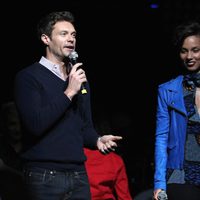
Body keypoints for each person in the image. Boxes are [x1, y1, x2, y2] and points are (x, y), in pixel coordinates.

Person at [14, 10, 122, 200]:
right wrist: (69, 92)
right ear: (46, 39)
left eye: (73, 35)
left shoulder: (78, 78)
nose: (71, 39)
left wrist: (97, 140)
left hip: (78, 175)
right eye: (63, 34)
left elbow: (84, 125)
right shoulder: (28, 77)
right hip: (44, 176)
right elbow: (35, 124)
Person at [153, 20, 200, 200]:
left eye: (195, 50)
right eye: (184, 50)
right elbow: (161, 138)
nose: (189, 56)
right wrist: (159, 182)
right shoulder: (169, 90)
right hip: (180, 176)